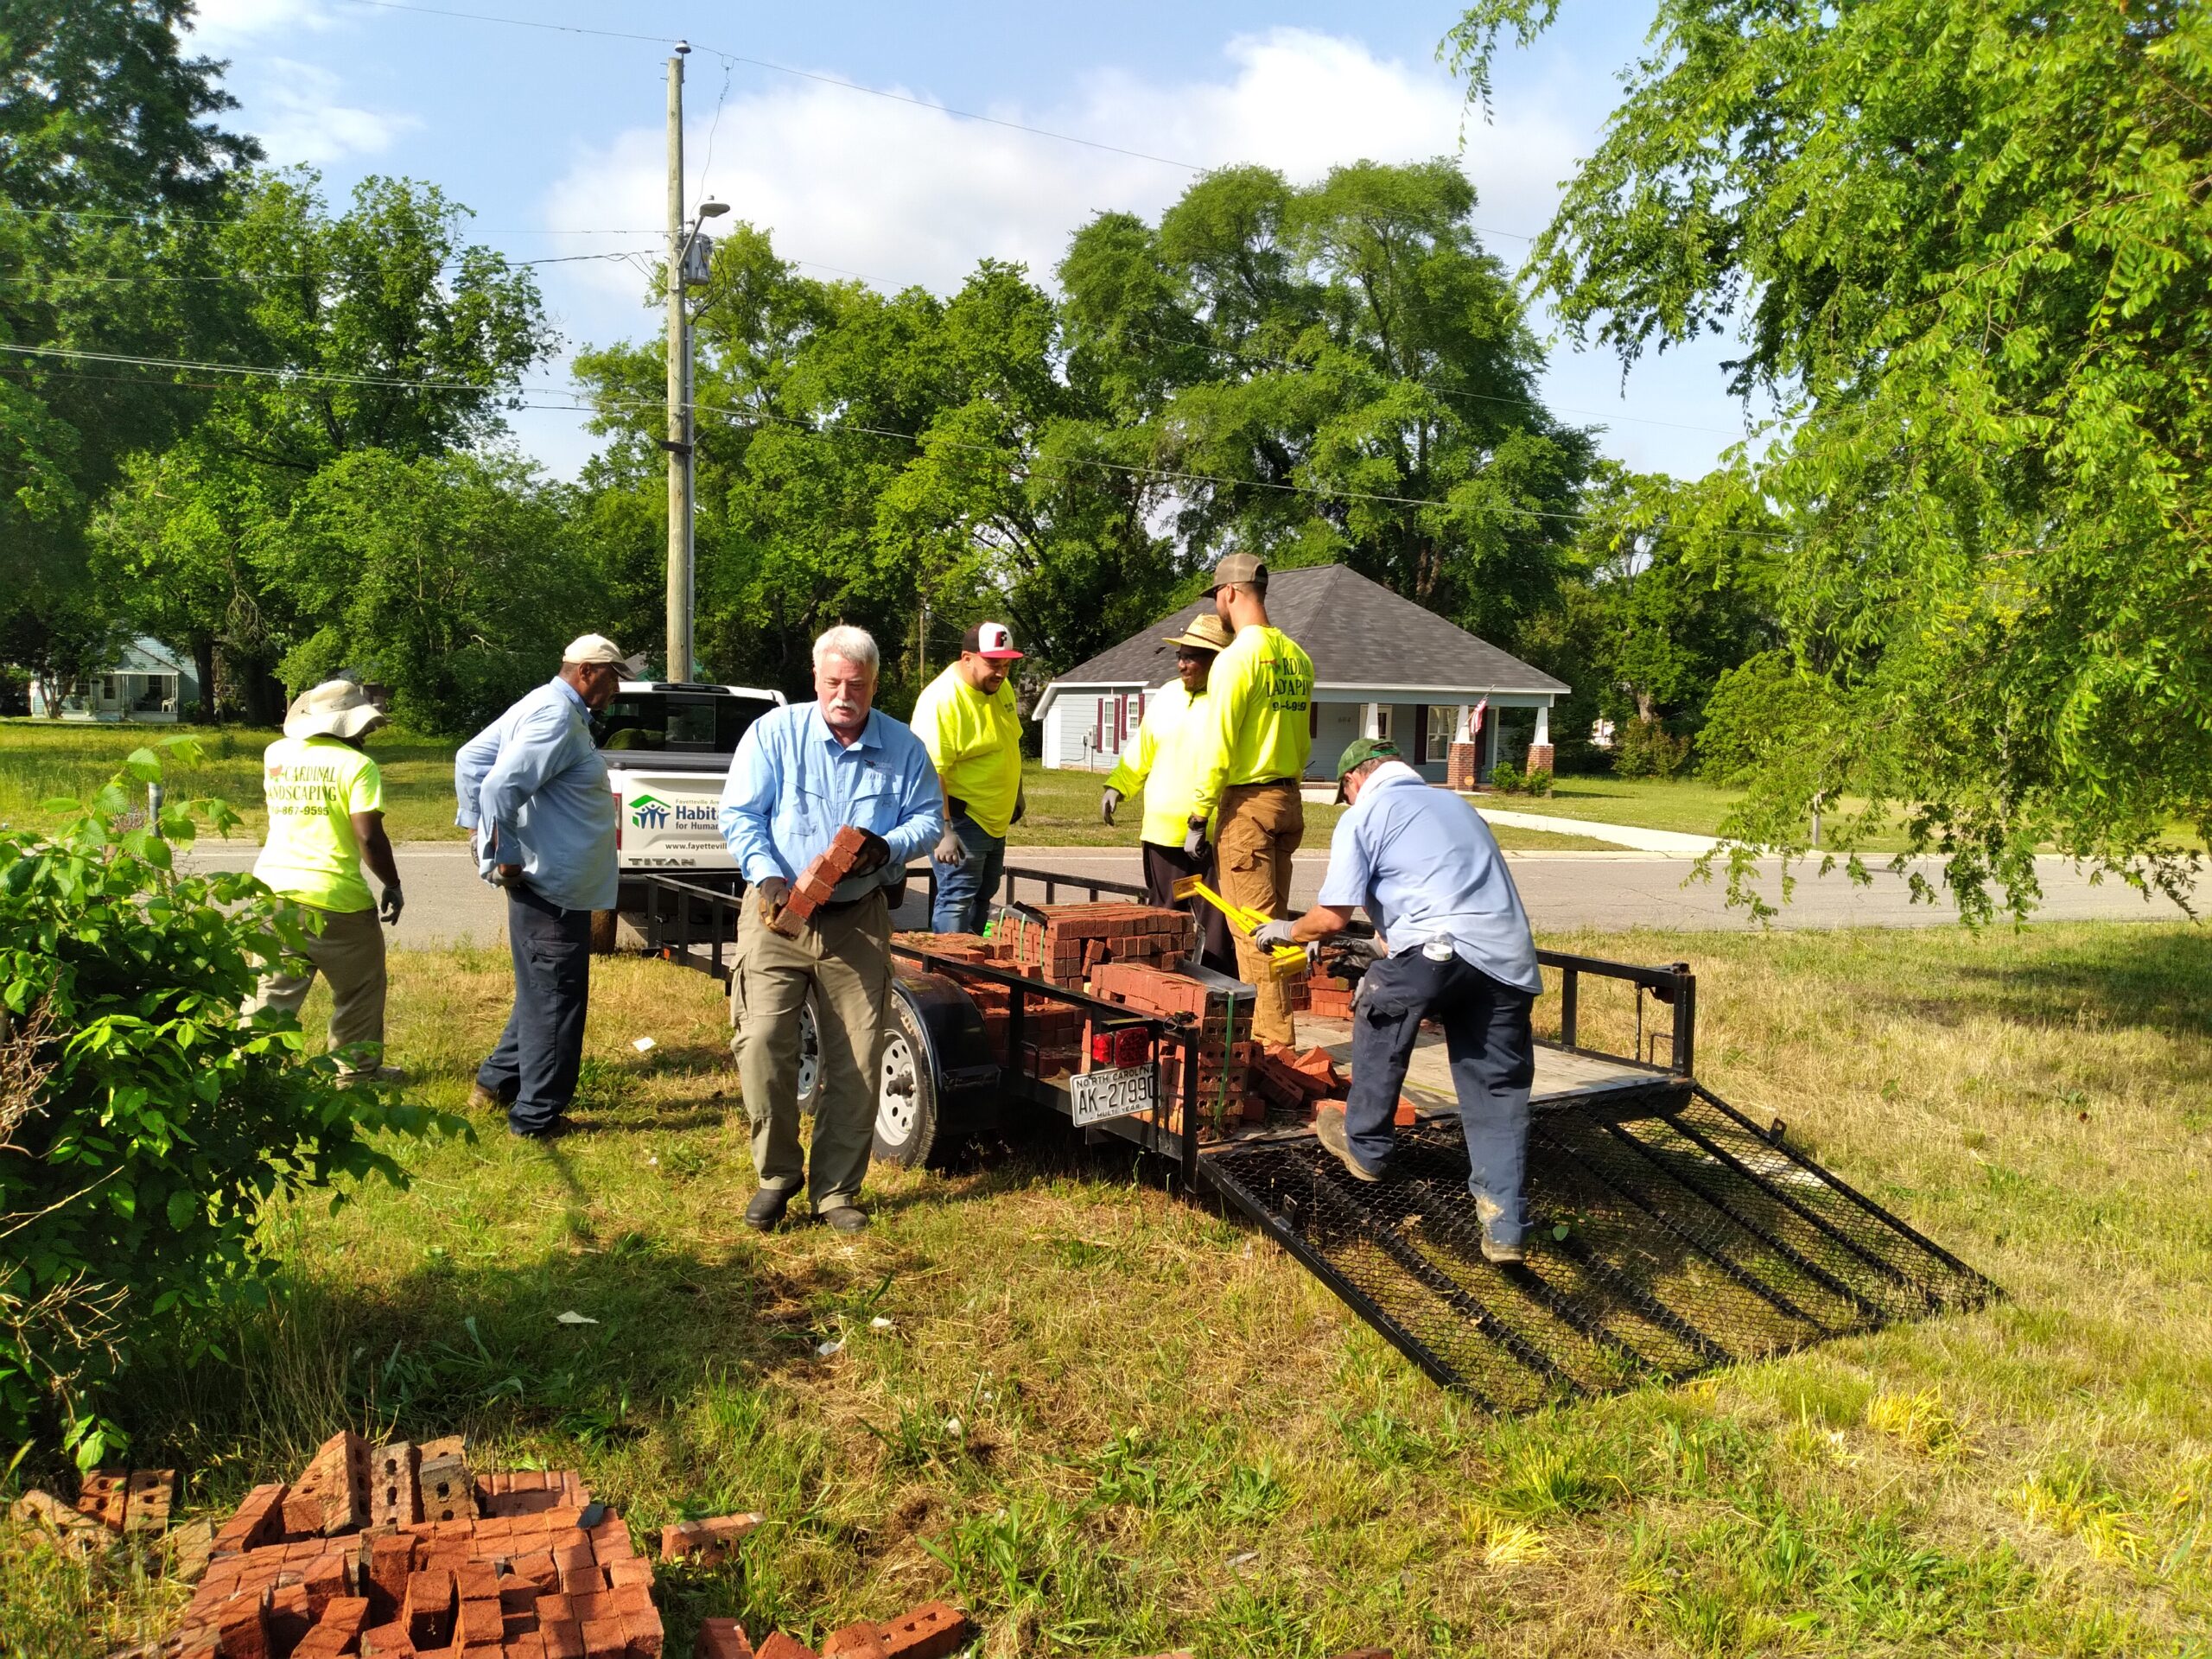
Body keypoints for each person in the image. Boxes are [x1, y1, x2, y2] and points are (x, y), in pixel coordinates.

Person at [1254, 738, 1544, 1262]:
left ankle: (1365, 1144)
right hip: (1507, 964)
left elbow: (1331, 916)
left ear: (1354, 781)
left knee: (1380, 1003)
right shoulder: (1458, 806)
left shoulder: (1365, 815)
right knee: (1496, 1094)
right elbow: (1426, 906)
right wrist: (1371, 948)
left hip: (1439, 952)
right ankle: (1505, 1227)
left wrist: (1286, 929)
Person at [719, 625, 943, 1233]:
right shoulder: (774, 734)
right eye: (834, 683)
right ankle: (777, 1176)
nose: (845, 696)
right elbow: (740, 814)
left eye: (858, 685)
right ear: (816, 679)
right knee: (763, 1042)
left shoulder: (904, 747)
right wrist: (765, 875)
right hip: (777, 916)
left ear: (874, 684)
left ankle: (836, 1192)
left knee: (858, 1060)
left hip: (857, 920)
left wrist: (888, 848)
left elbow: (928, 818)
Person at [453, 635, 626, 1140]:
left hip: (547, 881)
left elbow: (469, 759)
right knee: (556, 999)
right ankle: (536, 1118)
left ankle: (495, 1083)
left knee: (541, 991)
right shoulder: (555, 716)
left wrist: (475, 830)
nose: (617, 689)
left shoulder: (543, 701)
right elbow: (497, 785)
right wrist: (500, 853)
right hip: (552, 885)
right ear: (587, 672)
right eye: (613, 677)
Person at [1182, 553, 1315, 1045]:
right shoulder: (1298, 657)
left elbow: (1218, 746)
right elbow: (1300, 740)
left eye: (1217, 595)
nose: (1217, 604)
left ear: (1232, 592)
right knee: (1276, 924)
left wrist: (1200, 815)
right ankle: (1276, 1033)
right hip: (1287, 801)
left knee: (1253, 930)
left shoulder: (1237, 659)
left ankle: (1272, 1045)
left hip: (1249, 808)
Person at [245, 679, 405, 1080]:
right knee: (359, 990)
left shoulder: (275, 753)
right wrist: (392, 883)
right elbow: (368, 835)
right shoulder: (357, 766)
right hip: (335, 896)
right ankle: (353, 1074)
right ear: (351, 725)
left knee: (274, 989)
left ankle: (251, 1072)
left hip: (271, 888)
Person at [1101, 613, 1236, 974]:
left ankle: (1219, 994)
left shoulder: (1231, 701)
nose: (1181, 664)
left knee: (1217, 919)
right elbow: (1141, 751)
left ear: (1218, 661)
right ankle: (1165, 989)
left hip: (1211, 832)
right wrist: (1118, 785)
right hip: (1162, 833)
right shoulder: (1166, 696)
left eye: (1192, 657)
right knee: (1165, 917)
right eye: (1180, 656)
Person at [909, 621, 1025, 935]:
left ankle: (974, 966)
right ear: (967, 658)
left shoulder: (1000, 688)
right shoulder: (942, 700)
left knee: (984, 896)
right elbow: (932, 771)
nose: (1001, 673)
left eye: (1006, 665)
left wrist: (1017, 793)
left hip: (995, 820)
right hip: (963, 819)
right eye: (993, 664)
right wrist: (943, 829)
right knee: (957, 898)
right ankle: (950, 973)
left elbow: (1009, 741)